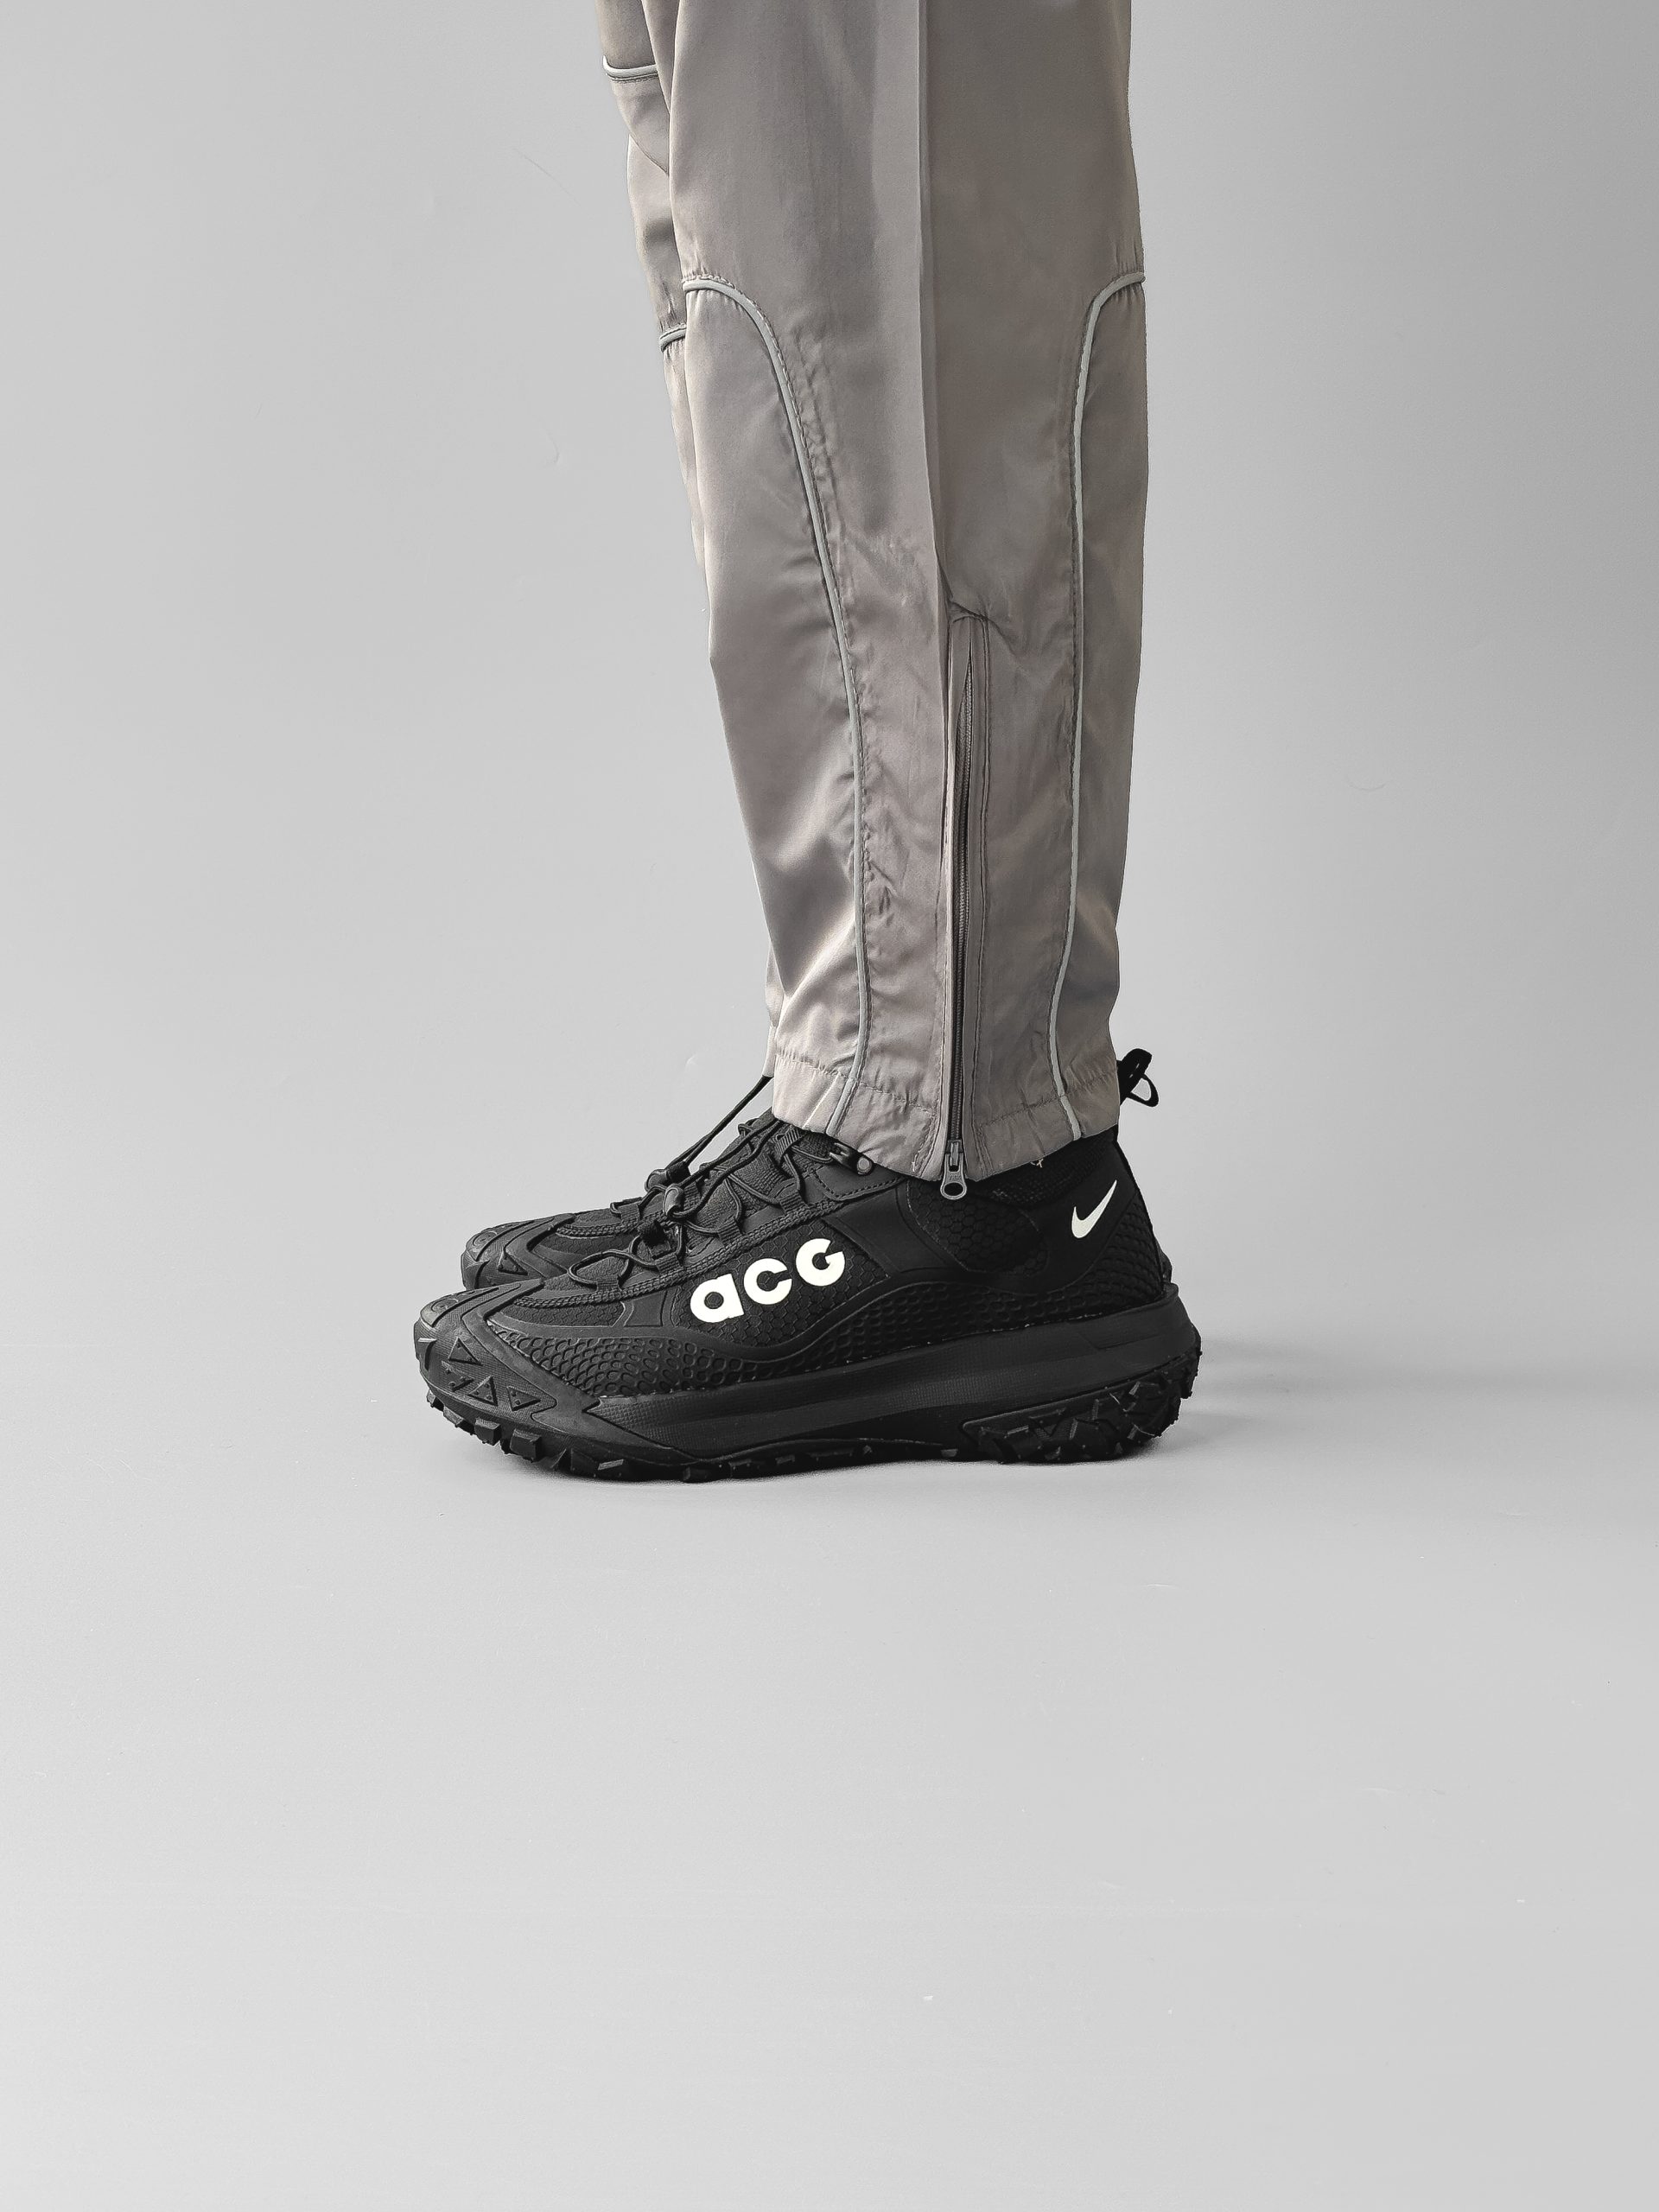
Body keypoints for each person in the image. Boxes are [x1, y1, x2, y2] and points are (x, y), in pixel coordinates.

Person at [413, 0, 1199, 1478]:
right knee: (751, 273)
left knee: (889, 278)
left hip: (965, 1147)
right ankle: (869, 1082)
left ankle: (966, 1158)